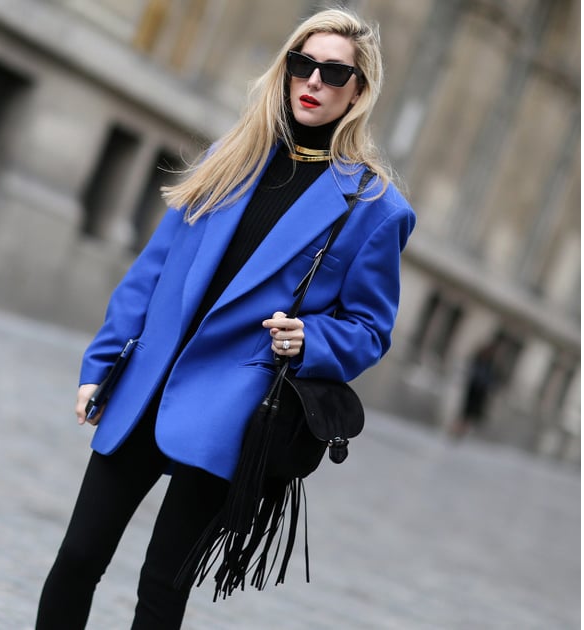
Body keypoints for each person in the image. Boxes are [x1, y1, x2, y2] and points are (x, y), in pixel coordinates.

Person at [35, 7, 416, 629]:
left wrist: (312, 338)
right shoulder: (233, 156)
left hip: (232, 409)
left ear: (358, 91)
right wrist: (100, 365)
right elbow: (152, 273)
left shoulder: (374, 206)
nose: (313, 81)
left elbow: (370, 329)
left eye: (333, 73)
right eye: (302, 64)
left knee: (162, 587)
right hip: (146, 387)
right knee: (77, 557)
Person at [449, 340, 500, 440]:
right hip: (474, 389)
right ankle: (456, 430)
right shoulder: (480, 361)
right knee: (466, 412)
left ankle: (460, 432)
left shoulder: (489, 363)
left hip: (480, 391)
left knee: (471, 415)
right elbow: (475, 373)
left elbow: (490, 377)